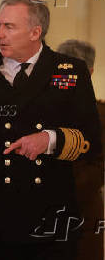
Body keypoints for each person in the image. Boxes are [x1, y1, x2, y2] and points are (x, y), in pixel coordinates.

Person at [0, 0, 101, 260]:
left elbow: (92, 141)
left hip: (53, 217)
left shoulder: (70, 70)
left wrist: (49, 139)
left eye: (9, 27)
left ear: (35, 32)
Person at [57, 39, 104, 260]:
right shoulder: (36, 110)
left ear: (90, 72)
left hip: (84, 217)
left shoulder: (101, 115)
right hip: (39, 219)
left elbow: (99, 169)